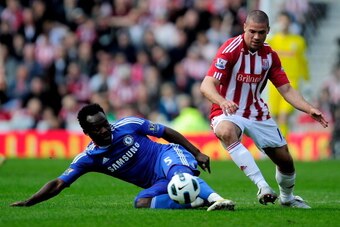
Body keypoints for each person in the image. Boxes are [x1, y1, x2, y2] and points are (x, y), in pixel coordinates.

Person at [200, 10, 328, 209]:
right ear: (244, 27)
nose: (257, 37)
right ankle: (263, 186)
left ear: (268, 31)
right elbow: (207, 85)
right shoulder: (230, 49)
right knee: (226, 131)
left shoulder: (270, 56)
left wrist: (309, 108)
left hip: (256, 111)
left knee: (285, 160)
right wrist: (222, 101)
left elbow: (285, 88)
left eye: (262, 32)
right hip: (228, 110)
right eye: (253, 31)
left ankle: (287, 198)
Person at [11, 103, 235, 211]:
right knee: (141, 203)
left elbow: (165, 131)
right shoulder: (89, 158)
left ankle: (218, 199)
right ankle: (195, 203)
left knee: (178, 176)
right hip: (157, 183)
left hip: (167, 157)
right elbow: (59, 183)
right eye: (96, 129)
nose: (104, 130)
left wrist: (196, 152)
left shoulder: (128, 124)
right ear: (87, 133)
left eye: (104, 124)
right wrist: (30, 202)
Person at [266, 11, 310, 136]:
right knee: (274, 114)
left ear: (290, 23)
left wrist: (307, 80)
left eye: (286, 21)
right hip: (274, 83)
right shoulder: (272, 40)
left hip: (292, 82)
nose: (283, 24)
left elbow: (303, 61)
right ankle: (277, 141)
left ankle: (282, 144)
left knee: (284, 115)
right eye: (281, 21)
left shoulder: (298, 41)